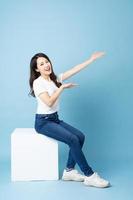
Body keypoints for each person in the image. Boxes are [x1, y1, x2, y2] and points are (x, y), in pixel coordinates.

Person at [29, 52, 110, 188]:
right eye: (41, 64)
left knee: (80, 136)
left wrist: (91, 60)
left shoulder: (55, 78)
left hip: (54, 119)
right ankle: (89, 175)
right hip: (43, 122)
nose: (46, 65)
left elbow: (75, 69)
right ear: (37, 69)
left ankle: (69, 171)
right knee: (72, 139)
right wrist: (62, 88)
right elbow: (49, 102)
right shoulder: (38, 83)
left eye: (47, 61)